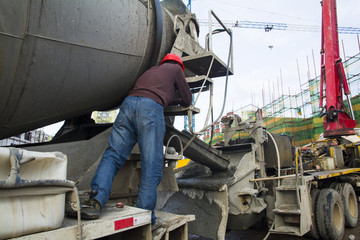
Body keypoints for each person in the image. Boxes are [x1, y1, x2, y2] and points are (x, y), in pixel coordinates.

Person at [82, 53, 192, 225]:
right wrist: (176, 94)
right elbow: (187, 99)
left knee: (113, 155)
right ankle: (144, 216)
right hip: (150, 110)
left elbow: (148, 91)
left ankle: (95, 201)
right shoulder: (176, 69)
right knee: (152, 165)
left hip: (128, 106)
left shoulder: (151, 71)